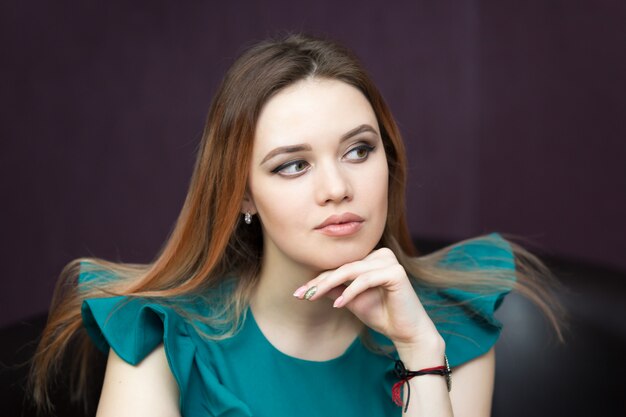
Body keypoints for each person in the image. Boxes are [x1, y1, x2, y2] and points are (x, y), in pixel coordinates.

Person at [30, 34, 563, 417]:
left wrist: (421, 355)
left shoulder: (448, 323)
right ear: (243, 194)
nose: (336, 187)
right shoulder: (163, 334)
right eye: (293, 164)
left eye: (359, 150)